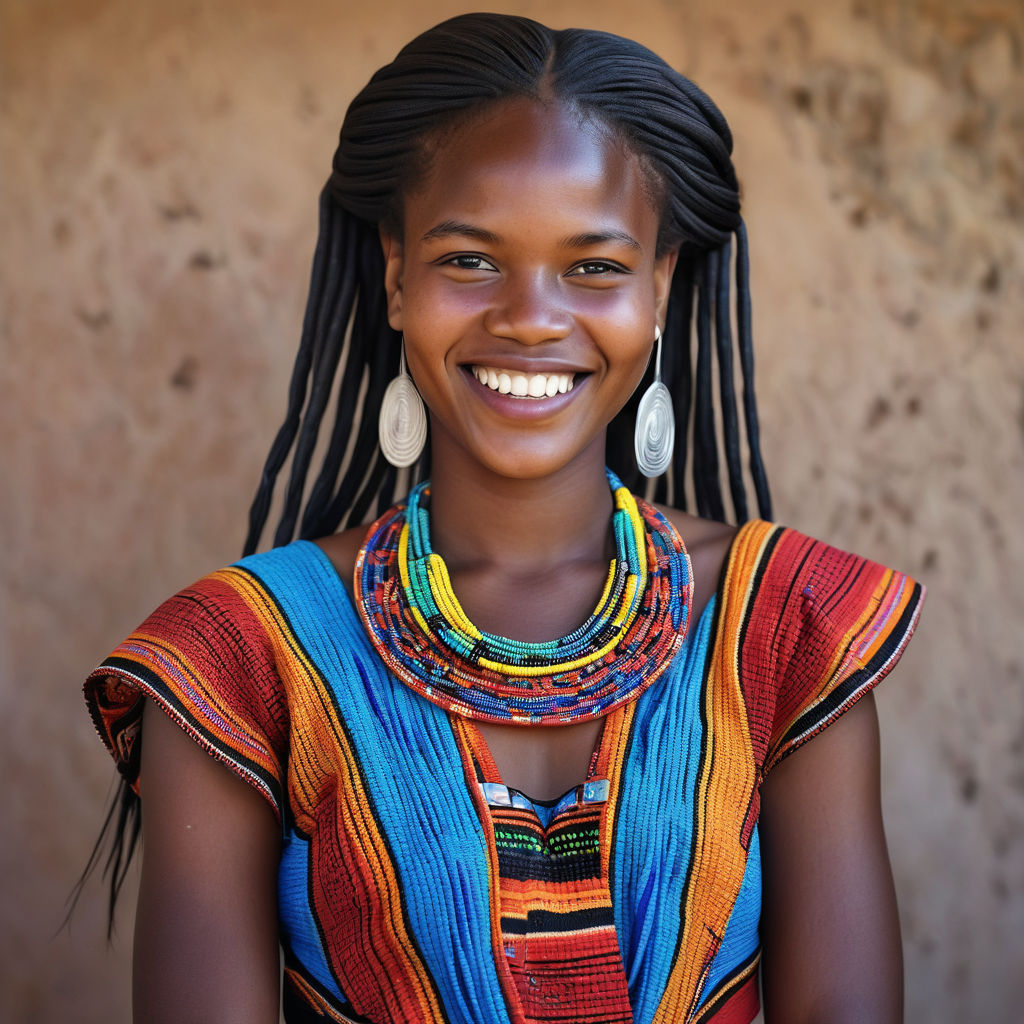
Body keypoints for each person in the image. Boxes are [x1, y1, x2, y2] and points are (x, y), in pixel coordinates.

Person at [82, 13, 924, 1024]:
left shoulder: (785, 629)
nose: (530, 316)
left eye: (596, 267)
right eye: (471, 260)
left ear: (659, 286)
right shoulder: (243, 664)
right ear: (396, 274)